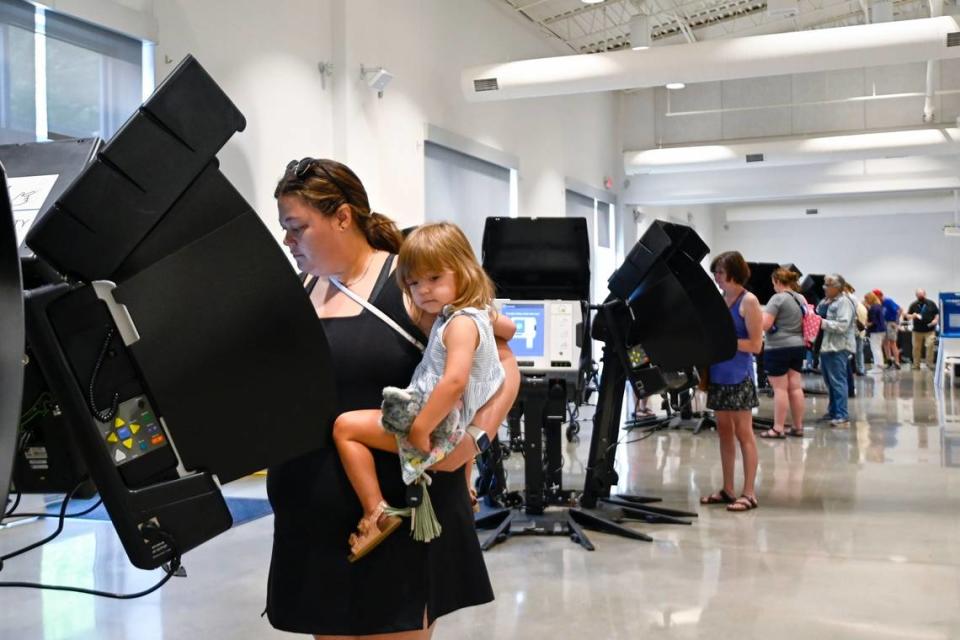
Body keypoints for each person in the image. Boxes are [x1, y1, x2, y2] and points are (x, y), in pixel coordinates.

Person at [267, 157, 520, 639]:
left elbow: (504, 363)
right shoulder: (300, 290)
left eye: (297, 227)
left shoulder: (414, 285)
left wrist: (476, 440)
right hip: (314, 521)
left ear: (342, 217)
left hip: (402, 518)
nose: (288, 241)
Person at [332, 222, 513, 561]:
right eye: (414, 283)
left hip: (434, 423)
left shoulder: (458, 324)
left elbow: (454, 381)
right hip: (447, 420)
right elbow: (510, 327)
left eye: (434, 279)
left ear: (463, 271)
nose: (424, 291)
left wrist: (420, 428)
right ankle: (464, 485)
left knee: (345, 429)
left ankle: (376, 512)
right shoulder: (471, 315)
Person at [700, 251, 763, 512]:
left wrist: (725, 343)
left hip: (739, 376)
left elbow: (755, 345)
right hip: (718, 375)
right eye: (715, 272)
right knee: (724, 433)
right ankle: (728, 488)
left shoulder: (749, 301)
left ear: (734, 273)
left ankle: (749, 493)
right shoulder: (721, 300)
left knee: (744, 434)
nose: (716, 277)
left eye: (721, 273)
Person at [758, 268, 806, 439]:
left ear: (777, 281)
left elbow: (765, 325)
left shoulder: (777, 299)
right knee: (795, 387)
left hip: (778, 347)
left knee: (780, 389)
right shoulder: (800, 298)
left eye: (773, 283)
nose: (773, 287)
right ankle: (798, 426)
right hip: (798, 346)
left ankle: (778, 428)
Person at [819, 274, 857, 427]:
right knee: (830, 381)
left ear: (837, 287)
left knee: (838, 382)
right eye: (824, 284)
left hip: (839, 347)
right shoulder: (829, 302)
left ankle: (842, 415)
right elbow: (819, 311)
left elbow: (842, 326)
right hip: (828, 347)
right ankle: (833, 411)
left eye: (828, 285)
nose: (824, 288)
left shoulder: (844, 303)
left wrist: (820, 322)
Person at [906, 288, 939, 370]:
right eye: (919, 295)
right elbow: (907, 316)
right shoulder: (913, 304)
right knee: (916, 348)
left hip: (930, 330)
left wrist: (935, 320)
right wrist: (912, 316)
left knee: (930, 346)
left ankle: (929, 364)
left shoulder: (931, 303)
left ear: (925, 294)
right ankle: (916, 365)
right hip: (917, 331)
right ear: (916, 296)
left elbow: (937, 313)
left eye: (922, 295)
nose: (921, 297)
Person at [874, 289, 902, 369]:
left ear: (879, 296)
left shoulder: (888, 301)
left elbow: (900, 310)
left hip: (890, 323)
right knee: (885, 343)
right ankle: (889, 361)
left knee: (893, 343)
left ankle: (897, 362)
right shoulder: (878, 303)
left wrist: (896, 322)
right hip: (883, 323)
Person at [864, 291, 884, 370]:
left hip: (875, 330)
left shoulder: (873, 308)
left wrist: (866, 324)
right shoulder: (878, 306)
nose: (866, 301)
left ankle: (877, 367)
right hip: (880, 330)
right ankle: (880, 365)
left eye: (866, 299)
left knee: (875, 349)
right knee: (878, 348)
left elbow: (873, 321)